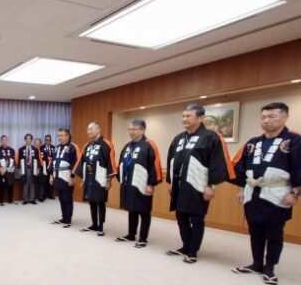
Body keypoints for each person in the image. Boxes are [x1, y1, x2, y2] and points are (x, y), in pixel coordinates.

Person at [231, 102, 300, 285]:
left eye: (271, 116)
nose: (266, 120)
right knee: (255, 229)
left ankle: (270, 268)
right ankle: (256, 263)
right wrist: (241, 189)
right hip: (252, 192)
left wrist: (295, 193)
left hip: (278, 193)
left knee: (274, 232)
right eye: (263, 117)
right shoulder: (253, 143)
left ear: (285, 117)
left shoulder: (294, 141)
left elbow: (299, 168)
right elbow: (241, 168)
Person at [166, 103, 235, 263]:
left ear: (200, 118)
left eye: (188, 116)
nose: (184, 119)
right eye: (183, 116)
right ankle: (186, 246)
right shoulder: (179, 138)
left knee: (196, 218)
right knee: (181, 216)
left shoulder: (211, 137)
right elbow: (171, 160)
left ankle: (193, 251)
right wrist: (170, 181)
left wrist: (211, 186)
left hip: (199, 185)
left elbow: (217, 162)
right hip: (180, 185)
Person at [114, 119, 163, 247]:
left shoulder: (149, 145)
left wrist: (151, 184)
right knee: (132, 209)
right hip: (129, 183)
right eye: (130, 129)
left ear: (142, 130)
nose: (131, 132)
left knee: (144, 211)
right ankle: (131, 234)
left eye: (134, 129)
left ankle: (143, 238)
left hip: (143, 183)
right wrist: (121, 179)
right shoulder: (127, 146)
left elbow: (155, 165)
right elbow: (121, 163)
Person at [74, 122, 117, 236]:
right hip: (89, 176)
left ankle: (101, 227)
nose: (89, 131)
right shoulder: (87, 145)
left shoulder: (106, 144)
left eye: (91, 129)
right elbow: (82, 161)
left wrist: (109, 180)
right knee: (91, 200)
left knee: (100, 201)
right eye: (88, 129)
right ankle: (94, 224)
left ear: (98, 129)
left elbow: (111, 162)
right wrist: (84, 178)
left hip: (100, 177)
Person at [50, 128, 80, 228]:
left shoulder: (72, 147)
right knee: (61, 198)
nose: (59, 137)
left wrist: (72, 177)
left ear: (67, 136)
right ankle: (63, 217)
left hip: (67, 176)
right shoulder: (56, 148)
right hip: (57, 175)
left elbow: (76, 163)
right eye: (58, 135)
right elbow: (52, 162)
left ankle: (68, 219)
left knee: (67, 199)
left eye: (61, 135)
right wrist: (51, 175)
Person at [17, 133, 42, 205]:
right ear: (25, 140)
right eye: (27, 138)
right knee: (25, 183)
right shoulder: (21, 149)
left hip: (33, 168)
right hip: (24, 168)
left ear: (31, 140)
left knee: (32, 183)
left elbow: (38, 159)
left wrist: (38, 169)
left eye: (29, 138)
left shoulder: (35, 149)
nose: (28, 140)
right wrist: (19, 169)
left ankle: (32, 199)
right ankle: (25, 199)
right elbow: (19, 159)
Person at [0, 135, 17, 206]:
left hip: (10, 170)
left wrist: (14, 167)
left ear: (8, 141)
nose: (5, 141)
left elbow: (15, 160)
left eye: (6, 140)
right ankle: (1, 201)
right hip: (2, 171)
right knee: (2, 186)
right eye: (3, 140)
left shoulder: (12, 150)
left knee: (11, 185)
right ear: (1, 141)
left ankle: (10, 200)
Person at [40, 134, 56, 200]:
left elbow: (55, 156)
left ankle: (50, 194)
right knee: (44, 181)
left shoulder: (53, 147)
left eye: (49, 140)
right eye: (46, 140)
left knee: (51, 181)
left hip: (52, 166)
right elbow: (41, 158)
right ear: (44, 140)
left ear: (50, 141)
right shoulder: (41, 147)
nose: (47, 141)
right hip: (44, 167)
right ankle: (43, 195)